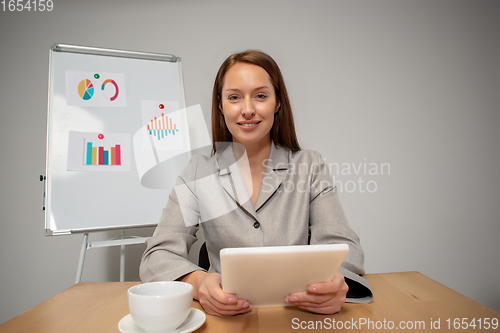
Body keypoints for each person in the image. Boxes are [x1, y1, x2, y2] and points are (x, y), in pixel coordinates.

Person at [140, 50, 373, 316]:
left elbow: (345, 247)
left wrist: (336, 284)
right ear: (221, 105)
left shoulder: (309, 166)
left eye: (260, 96)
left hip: (298, 314)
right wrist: (198, 282)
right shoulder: (198, 172)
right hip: (226, 318)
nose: (248, 109)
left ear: (277, 103)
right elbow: (157, 254)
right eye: (234, 97)